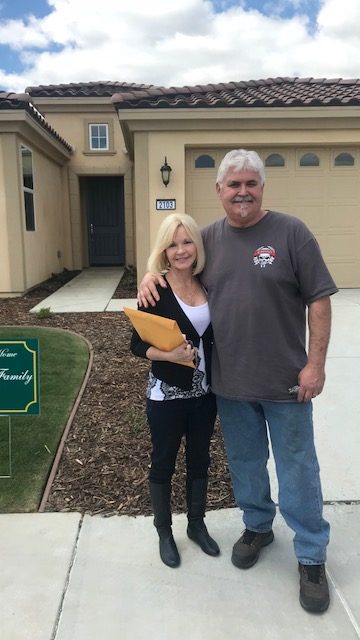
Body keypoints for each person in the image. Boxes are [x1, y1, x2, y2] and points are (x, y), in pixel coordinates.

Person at [138, 150, 337, 612]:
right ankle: (258, 526)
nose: (242, 191)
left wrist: (316, 365)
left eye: (250, 183)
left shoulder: (292, 233)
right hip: (228, 384)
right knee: (246, 463)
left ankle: (310, 554)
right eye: (234, 185)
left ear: (261, 187)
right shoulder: (207, 240)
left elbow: (320, 301)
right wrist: (150, 274)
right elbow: (176, 262)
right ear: (220, 191)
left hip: (288, 383)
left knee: (298, 469)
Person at [130, 213, 220, 568]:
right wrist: (168, 354)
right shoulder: (155, 291)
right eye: (173, 243)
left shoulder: (209, 283)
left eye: (187, 242)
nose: (181, 250)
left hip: (206, 393)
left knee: (200, 459)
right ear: (163, 250)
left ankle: (196, 525)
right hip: (166, 395)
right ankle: (164, 531)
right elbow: (136, 345)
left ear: (196, 246)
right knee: (163, 461)